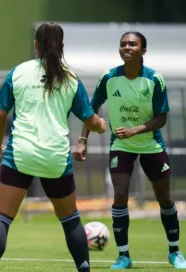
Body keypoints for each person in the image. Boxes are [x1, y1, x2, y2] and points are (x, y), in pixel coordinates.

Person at [0, 22, 107, 272]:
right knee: (70, 219)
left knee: (2, 218)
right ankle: (83, 267)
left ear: (35, 45)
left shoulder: (19, 72)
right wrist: (101, 125)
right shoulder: (71, 78)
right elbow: (91, 121)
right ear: (62, 46)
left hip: (20, 155)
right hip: (56, 158)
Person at [74, 31, 186, 269]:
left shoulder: (154, 79)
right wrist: (83, 139)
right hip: (120, 145)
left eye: (132, 44)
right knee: (121, 196)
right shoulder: (109, 77)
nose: (127, 47)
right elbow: (90, 111)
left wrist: (136, 130)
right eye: (123, 44)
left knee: (165, 199)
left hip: (151, 144)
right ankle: (124, 255)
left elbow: (162, 118)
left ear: (142, 50)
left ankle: (175, 252)